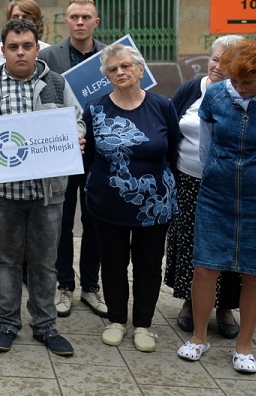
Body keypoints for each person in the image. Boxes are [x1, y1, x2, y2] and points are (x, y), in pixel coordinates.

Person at [178, 39, 256, 373]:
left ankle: (244, 347)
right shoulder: (217, 95)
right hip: (216, 195)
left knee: (255, 273)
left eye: (246, 82)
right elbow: (207, 149)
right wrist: (217, 174)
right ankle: (198, 337)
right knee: (205, 268)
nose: (238, 87)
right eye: (234, 80)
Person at [0, 18, 82, 358]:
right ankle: (7, 323)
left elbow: (77, 119)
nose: (20, 52)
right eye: (13, 47)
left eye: (26, 46)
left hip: (47, 194)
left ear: (37, 48)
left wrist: (77, 137)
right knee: (6, 261)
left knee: (45, 263)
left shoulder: (56, 83)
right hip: (1, 195)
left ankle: (45, 326)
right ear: (2, 51)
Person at [83, 43, 179, 353]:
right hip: (107, 203)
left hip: (153, 206)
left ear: (140, 70)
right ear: (107, 76)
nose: (120, 72)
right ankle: (117, 320)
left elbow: (173, 152)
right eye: (113, 69)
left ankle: (143, 325)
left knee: (148, 265)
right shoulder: (95, 109)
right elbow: (88, 157)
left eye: (126, 66)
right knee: (112, 263)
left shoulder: (163, 106)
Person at [165, 35, 245, 339]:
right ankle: (189, 301)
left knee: (227, 245)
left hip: (228, 185)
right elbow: (171, 128)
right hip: (186, 180)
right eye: (215, 59)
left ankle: (225, 306)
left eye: (227, 62)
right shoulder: (190, 89)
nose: (218, 67)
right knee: (189, 242)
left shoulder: (243, 95)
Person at [38, 0, 107, 319]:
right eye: (74, 17)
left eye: (86, 17)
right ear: (65, 21)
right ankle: (64, 285)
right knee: (61, 223)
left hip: (101, 152)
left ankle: (90, 287)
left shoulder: (111, 56)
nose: (80, 22)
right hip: (62, 151)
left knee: (94, 221)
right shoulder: (49, 56)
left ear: (96, 22)